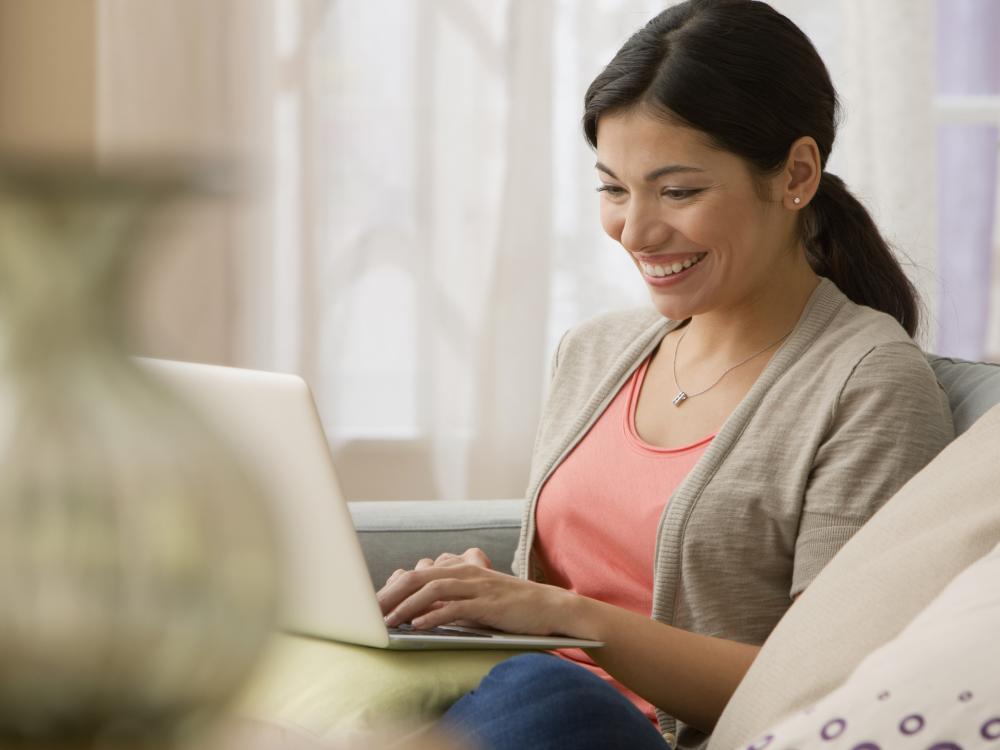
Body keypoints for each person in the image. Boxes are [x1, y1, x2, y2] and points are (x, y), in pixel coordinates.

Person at [376, 1, 954, 748]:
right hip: (517, 710)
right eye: (614, 189)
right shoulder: (592, 353)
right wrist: (476, 599)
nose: (636, 231)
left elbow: (833, 681)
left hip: (627, 727)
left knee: (545, 687)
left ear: (797, 175)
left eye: (678, 191)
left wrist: (568, 619)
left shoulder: (868, 387)